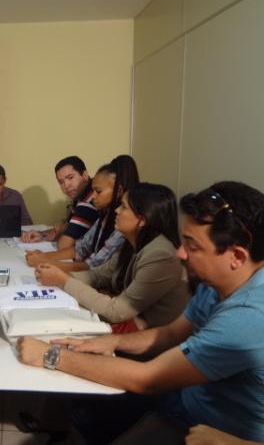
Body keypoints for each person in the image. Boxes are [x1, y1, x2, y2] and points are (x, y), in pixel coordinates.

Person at [18, 181, 264, 444]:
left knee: (93, 404)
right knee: (87, 409)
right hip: (187, 396)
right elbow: (171, 333)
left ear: (237, 256)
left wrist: (50, 355)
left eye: (192, 246)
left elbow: (149, 379)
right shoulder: (215, 284)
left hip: (210, 427)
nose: (181, 253)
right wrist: (110, 341)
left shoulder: (247, 316)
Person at [35, 182, 189, 332]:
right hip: (131, 326)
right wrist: (58, 278)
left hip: (151, 339)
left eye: (124, 207)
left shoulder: (160, 255)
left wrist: (63, 280)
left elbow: (116, 311)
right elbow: (98, 275)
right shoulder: (131, 242)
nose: (116, 210)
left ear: (142, 219)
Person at [26, 155, 139, 271]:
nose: (66, 186)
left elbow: (93, 266)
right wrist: (44, 256)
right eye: (61, 182)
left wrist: (45, 261)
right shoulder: (104, 216)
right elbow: (80, 248)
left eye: (98, 191)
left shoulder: (121, 224)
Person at [21, 155, 98, 250]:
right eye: (61, 182)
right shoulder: (80, 195)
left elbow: (64, 245)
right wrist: (41, 235)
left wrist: (62, 230)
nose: (66, 185)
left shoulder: (89, 200)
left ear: (85, 175)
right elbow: (64, 228)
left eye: (70, 178)